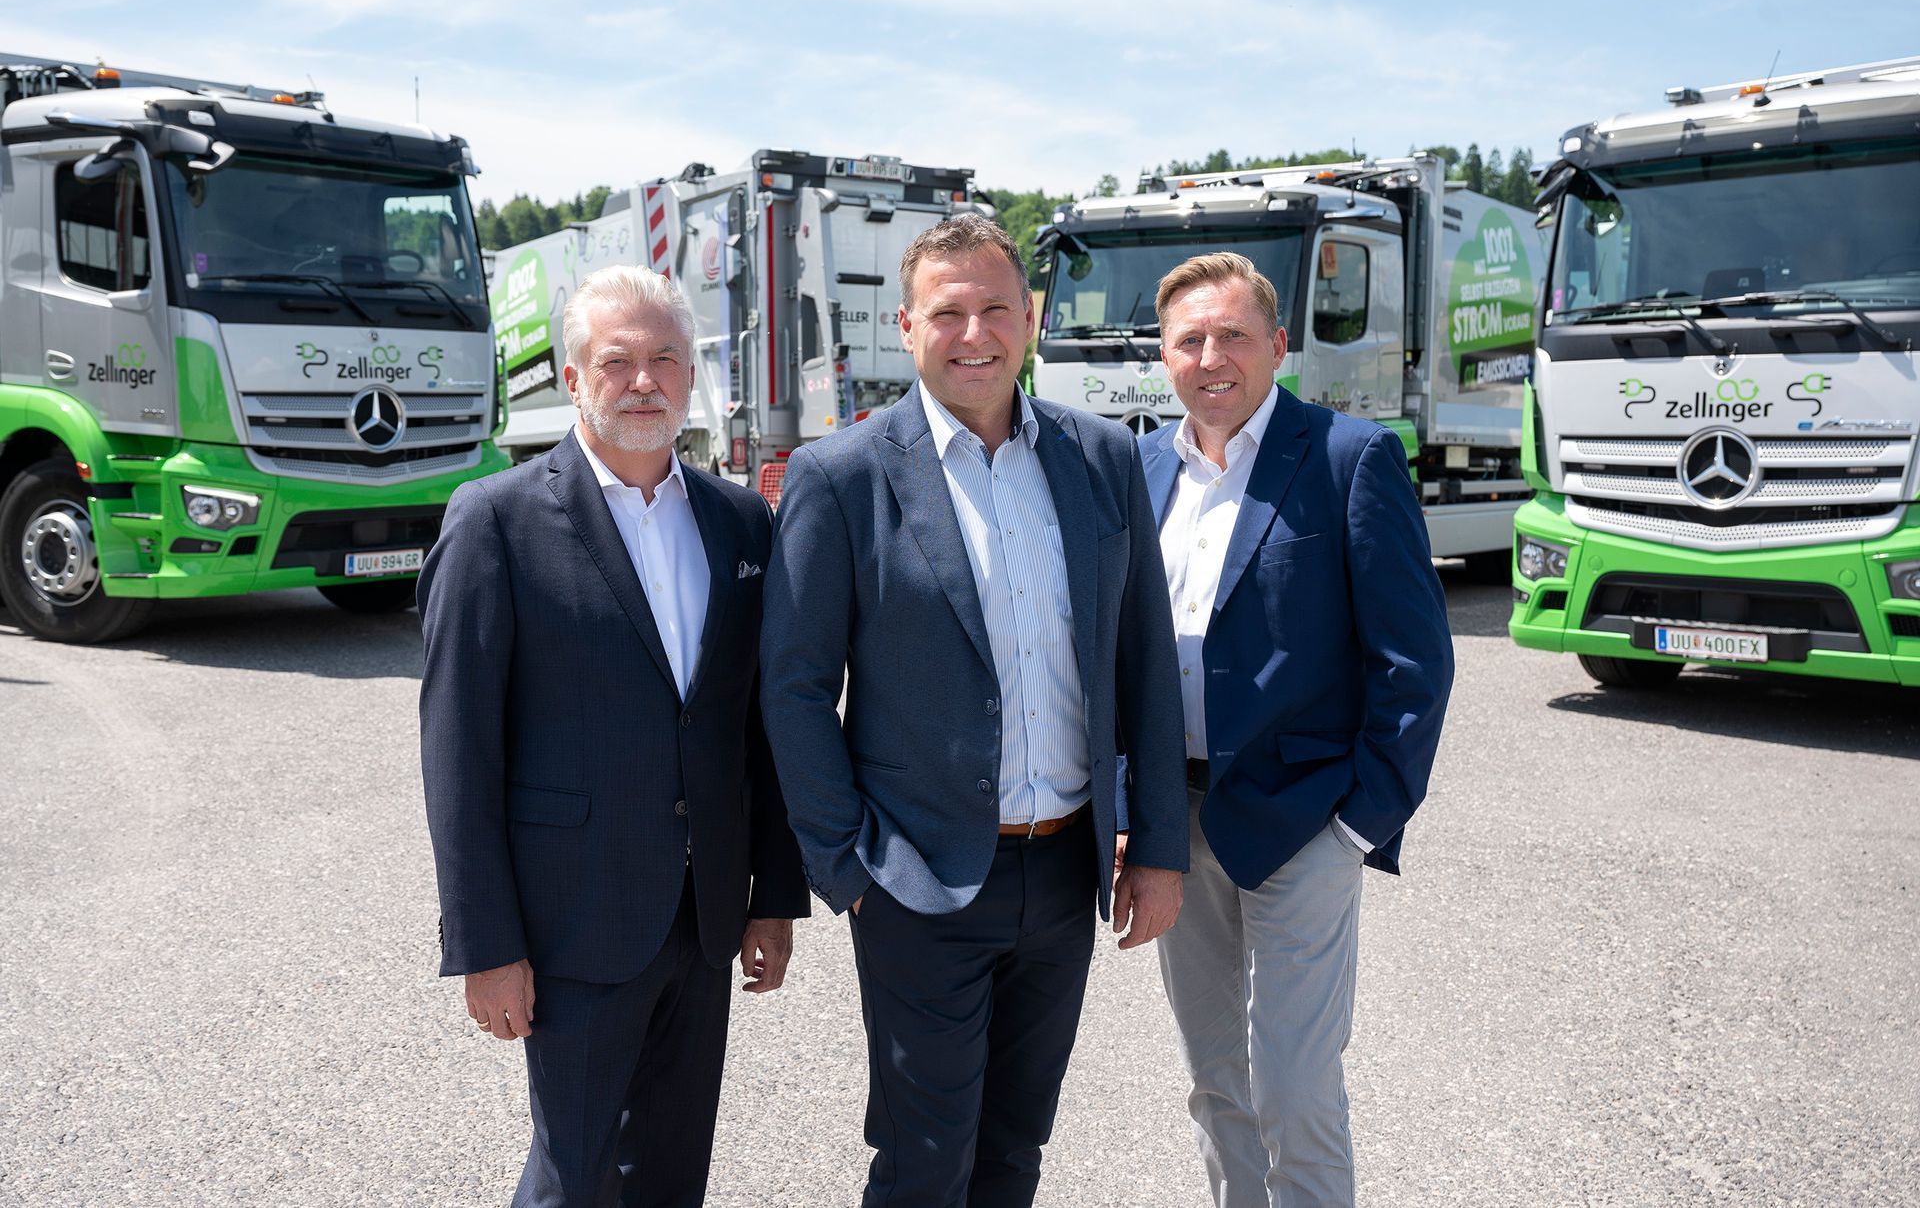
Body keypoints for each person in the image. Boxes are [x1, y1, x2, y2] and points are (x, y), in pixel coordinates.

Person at [760, 214, 1188, 1208]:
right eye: (947, 312)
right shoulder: (843, 475)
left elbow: (1144, 661)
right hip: (919, 881)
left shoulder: (1100, 459)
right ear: (906, 328)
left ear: (1031, 319)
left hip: (1067, 867)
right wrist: (847, 859)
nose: (974, 332)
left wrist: (1159, 842)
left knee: (1013, 1153)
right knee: (924, 1161)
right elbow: (791, 684)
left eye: (997, 307)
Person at [417, 264, 809, 1207]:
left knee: (673, 1173)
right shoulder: (497, 521)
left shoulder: (739, 520)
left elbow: (761, 723)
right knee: (572, 1174)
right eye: (617, 361)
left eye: (665, 359)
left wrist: (772, 895)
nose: (644, 382)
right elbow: (458, 747)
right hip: (571, 923)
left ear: (690, 373)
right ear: (570, 373)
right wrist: (485, 942)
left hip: (702, 914)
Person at [1140, 252, 1454, 1208]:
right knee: (1213, 1077)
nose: (1212, 357)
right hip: (1176, 823)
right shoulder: (1142, 462)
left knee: (1294, 1083)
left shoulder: (1346, 456)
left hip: (1305, 816)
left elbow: (1415, 658)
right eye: (1190, 338)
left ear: (1278, 345)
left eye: (1233, 334)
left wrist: (1361, 822)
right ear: (1165, 355)